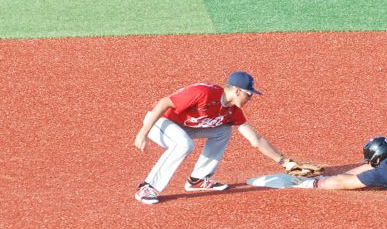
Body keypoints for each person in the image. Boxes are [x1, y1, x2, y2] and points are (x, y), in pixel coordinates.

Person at [133, 71, 312, 204]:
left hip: (185, 126)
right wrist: (143, 132)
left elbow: (255, 140)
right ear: (237, 91)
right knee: (183, 145)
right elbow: (164, 103)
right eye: (249, 94)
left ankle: (198, 179)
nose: (250, 98)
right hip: (159, 121)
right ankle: (147, 187)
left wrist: (285, 162)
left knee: (223, 131)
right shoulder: (204, 93)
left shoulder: (232, 110)